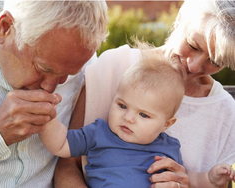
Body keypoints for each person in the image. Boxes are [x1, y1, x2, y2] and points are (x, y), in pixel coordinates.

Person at [54, 0, 235, 188]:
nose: (194, 65)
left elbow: (220, 184)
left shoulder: (225, 111)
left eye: (215, 60)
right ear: (179, 18)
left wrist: (187, 184)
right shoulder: (114, 66)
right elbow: (68, 164)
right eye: (193, 45)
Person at [0, 0, 108, 187]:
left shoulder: (82, 61)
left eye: (67, 76)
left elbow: (78, 160)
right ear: (5, 28)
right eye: (42, 67)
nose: (50, 88)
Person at [40, 50, 186, 187]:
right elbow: (60, 144)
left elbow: (187, 178)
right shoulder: (98, 133)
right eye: (122, 106)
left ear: (166, 124)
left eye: (143, 115)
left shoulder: (170, 148)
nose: (128, 118)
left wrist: (208, 177)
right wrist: (48, 116)